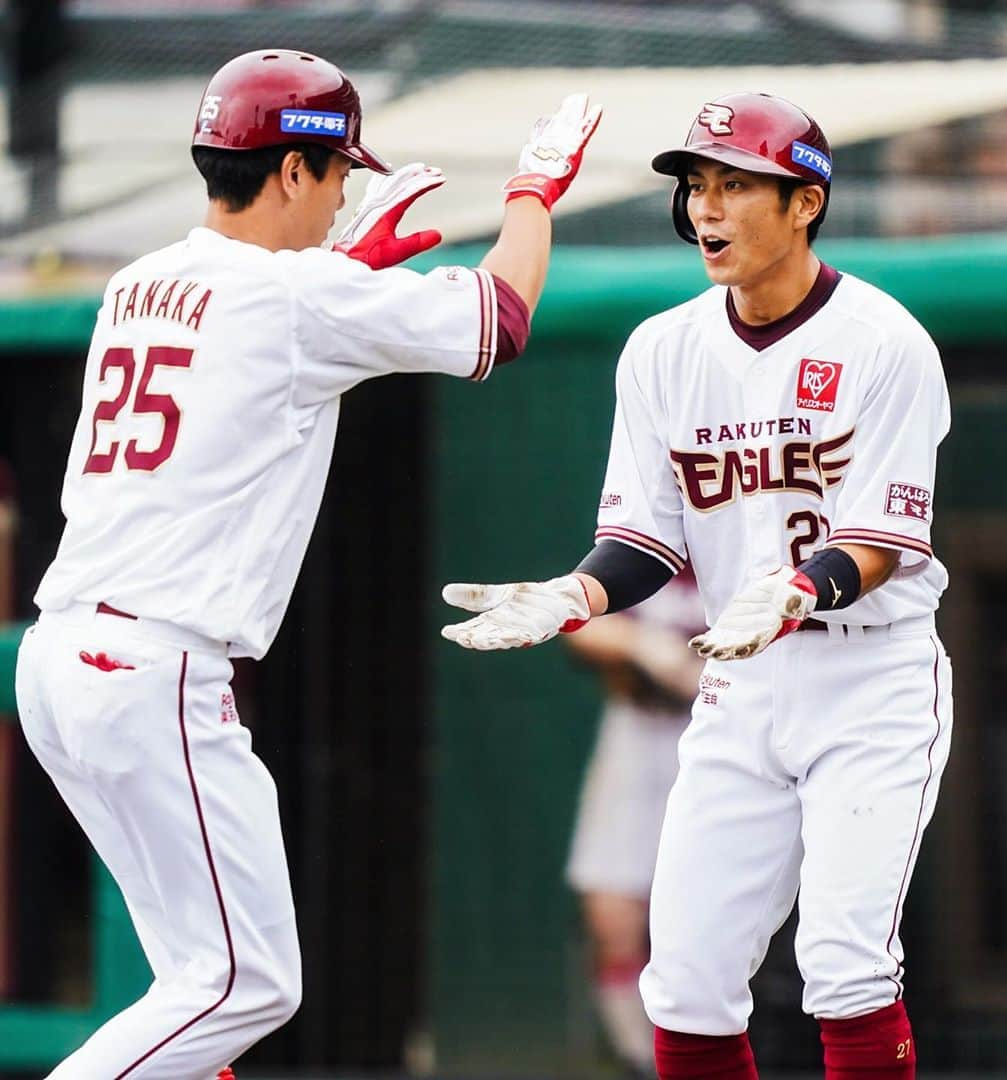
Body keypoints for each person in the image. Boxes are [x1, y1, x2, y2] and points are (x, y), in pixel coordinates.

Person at [14, 48, 600, 1078]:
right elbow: (501, 318)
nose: (341, 199)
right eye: (335, 176)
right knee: (249, 986)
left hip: (62, 662)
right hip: (155, 670)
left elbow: (249, 362)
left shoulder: (136, 282)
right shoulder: (299, 297)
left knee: (196, 989)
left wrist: (344, 273)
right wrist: (531, 193)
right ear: (291, 171)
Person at [442, 92, 952, 1079]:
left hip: (871, 679)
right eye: (696, 186)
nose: (706, 209)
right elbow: (640, 537)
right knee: (683, 981)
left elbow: (884, 537)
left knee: (843, 969)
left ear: (805, 202)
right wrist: (575, 595)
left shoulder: (885, 341)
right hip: (739, 684)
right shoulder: (663, 349)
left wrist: (803, 589)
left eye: (736, 185)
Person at [564, 566, 704, 1077]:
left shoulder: (755, 542)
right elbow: (577, 625)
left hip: (717, 737)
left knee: (710, 923)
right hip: (636, 731)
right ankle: (641, 1060)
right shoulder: (642, 549)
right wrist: (643, 644)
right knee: (612, 913)